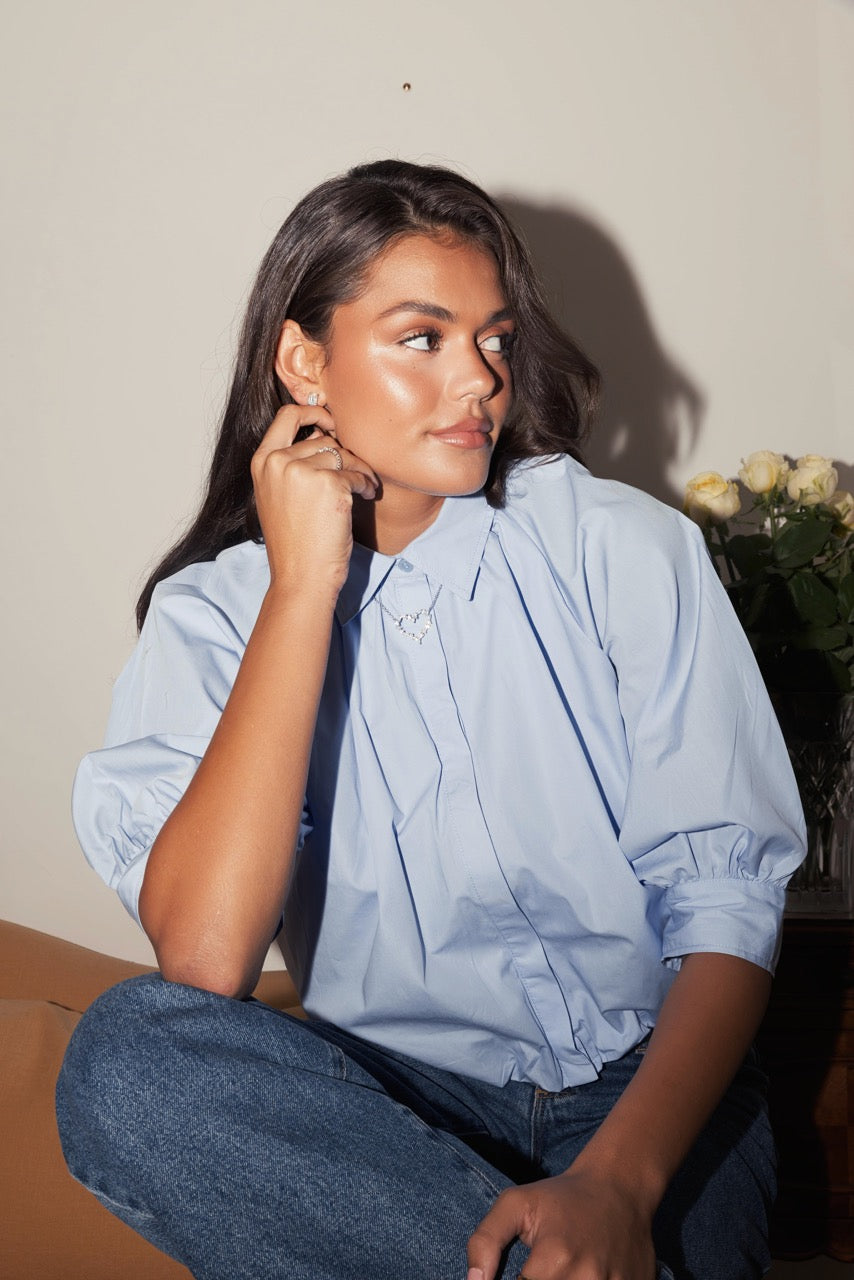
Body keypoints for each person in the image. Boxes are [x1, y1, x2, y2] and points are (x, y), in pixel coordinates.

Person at [56, 159, 806, 1280]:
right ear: (304, 362)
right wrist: (300, 591)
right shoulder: (211, 619)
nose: (479, 382)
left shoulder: (620, 549)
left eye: (494, 339)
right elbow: (204, 958)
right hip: (389, 1116)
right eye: (423, 337)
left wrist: (615, 1184)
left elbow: (726, 908)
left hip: (652, 1099)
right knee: (124, 1062)